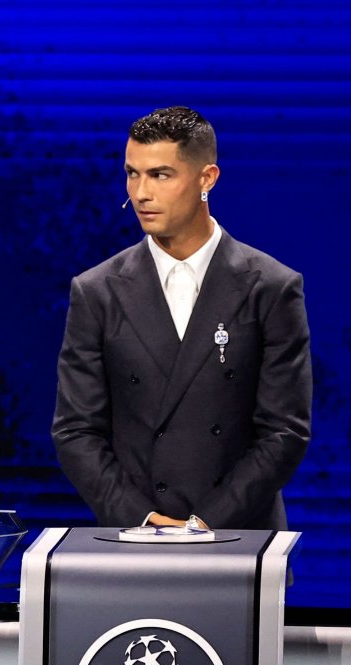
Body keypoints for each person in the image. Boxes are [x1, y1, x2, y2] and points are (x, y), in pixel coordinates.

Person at [52, 106, 311, 531]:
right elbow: (75, 431)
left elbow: (285, 431)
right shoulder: (96, 291)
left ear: (207, 179)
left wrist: (206, 523)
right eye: (132, 174)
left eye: (160, 175)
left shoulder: (271, 287)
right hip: (134, 539)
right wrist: (144, 519)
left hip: (239, 537)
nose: (140, 193)